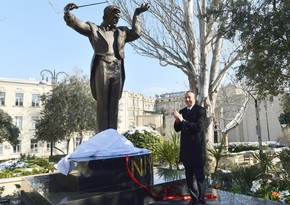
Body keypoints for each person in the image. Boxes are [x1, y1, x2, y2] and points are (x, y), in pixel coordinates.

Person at [63, 3, 149, 132]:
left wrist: (136, 14)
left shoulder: (122, 32)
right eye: (114, 15)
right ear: (105, 15)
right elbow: (77, 24)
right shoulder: (94, 29)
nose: (117, 17)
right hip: (102, 66)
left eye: (118, 16)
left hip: (117, 67)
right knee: (102, 103)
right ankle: (103, 135)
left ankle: (112, 134)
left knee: (114, 104)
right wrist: (68, 13)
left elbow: (136, 33)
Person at [173, 91, 207, 205]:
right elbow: (177, 129)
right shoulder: (182, 111)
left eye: (189, 97)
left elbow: (198, 127)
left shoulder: (200, 110)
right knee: (189, 177)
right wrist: (178, 121)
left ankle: (201, 199)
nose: (187, 99)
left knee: (199, 177)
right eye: (186, 97)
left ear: (194, 99)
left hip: (197, 150)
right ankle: (194, 198)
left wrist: (182, 120)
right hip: (186, 150)